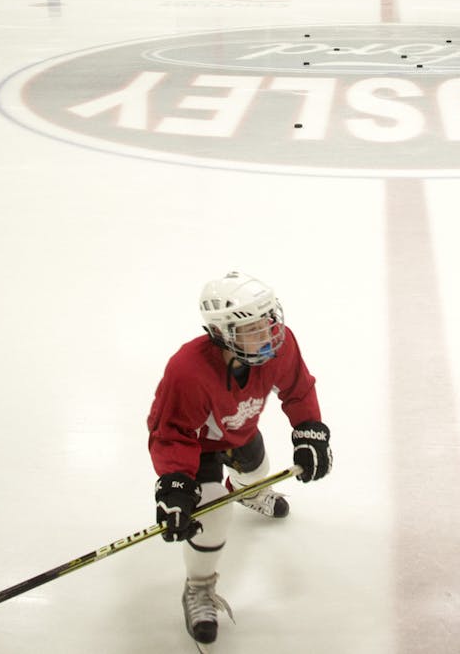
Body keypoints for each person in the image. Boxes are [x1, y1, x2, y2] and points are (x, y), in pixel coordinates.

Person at [148, 271, 333, 647]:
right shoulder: (187, 370)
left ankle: (248, 492)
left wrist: (310, 430)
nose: (268, 333)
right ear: (222, 333)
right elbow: (171, 433)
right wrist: (176, 485)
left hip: (240, 430)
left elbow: (298, 389)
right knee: (214, 515)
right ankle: (198, 588)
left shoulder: (278, 347)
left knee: (259, 471)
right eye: (252, 327)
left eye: (269, 319)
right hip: (197, 449)